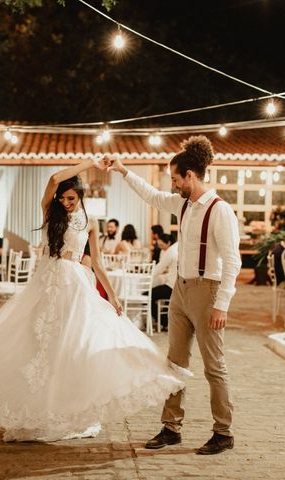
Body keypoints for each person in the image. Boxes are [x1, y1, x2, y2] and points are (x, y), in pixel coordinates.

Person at [0, 158, 185, 443]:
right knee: (38, 347)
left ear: (81, 197)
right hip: (47, 283)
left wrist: (112, 297)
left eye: (72, 198)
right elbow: (54, 179)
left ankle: (65, 413)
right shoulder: (51, 213)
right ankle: (35, 414)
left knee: (71, 347)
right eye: (63, 198)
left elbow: (98, 264)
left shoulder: (90, 223)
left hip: (75, 285)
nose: (66, 202)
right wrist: (88, 163)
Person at [108, 135, 241, 455]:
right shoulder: (182, 203)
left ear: (191, 177)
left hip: (208, 292)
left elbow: (233, 261)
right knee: (175, 363)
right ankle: (171, 427)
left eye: (176, 178)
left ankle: (223, 432)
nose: (173, 184)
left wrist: (222, 304)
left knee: (214, 366)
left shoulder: (220, 211)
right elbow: (152, 196)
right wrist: (124, 172)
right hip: (181, 290)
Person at [151, 233, 178, 331]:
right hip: (178, 287)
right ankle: (165, 321)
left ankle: (163, 322)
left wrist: (146, 273)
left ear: (168, 243)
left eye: (162, 245)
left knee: (148, 295)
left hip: (171, 287)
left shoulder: (171, 251)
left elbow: (158, 269)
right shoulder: (178, 247)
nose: (161, 248)